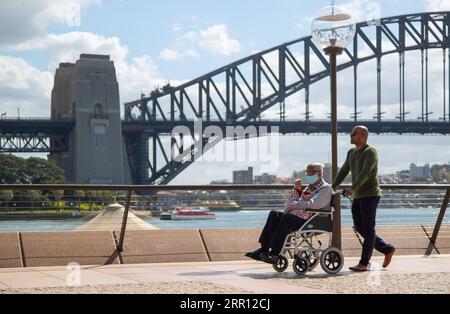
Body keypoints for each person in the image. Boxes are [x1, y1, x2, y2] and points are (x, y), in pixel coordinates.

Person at [332, 126, 396, 272]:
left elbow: (366, 173)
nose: (350, 136)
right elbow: (343, 171)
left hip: (370, 195)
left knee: (368, 228)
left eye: (352, 134)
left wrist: (353, 188)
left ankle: (364, 262)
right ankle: (387, 249)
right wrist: (331, 188)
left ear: (362, 136)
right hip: (358, 195)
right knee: (360, 227)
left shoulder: (370, 152)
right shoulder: (351, 152)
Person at [245, 163, 334, 264]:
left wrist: (294, 205)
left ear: (318, 173)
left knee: (288, 218)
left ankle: (275, 252)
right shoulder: (309, 188)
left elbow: (314, 205)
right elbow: (298, 202)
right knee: (274, 214)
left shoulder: (326, 189)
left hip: (312, 221)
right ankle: (264, 249)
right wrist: (296, 190)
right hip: (302, 217)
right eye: (307, 172)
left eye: (310, 173)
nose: (307, 175)